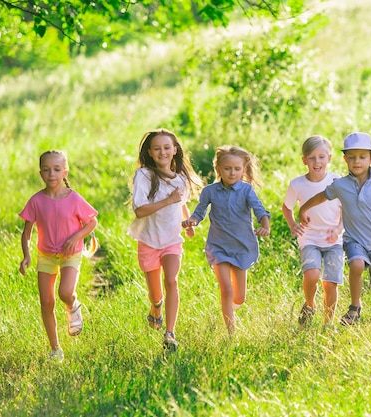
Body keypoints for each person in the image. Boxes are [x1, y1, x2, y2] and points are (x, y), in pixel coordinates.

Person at [299, 132, 371, 325]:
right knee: (356, 264)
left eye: (362, 157)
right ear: (344, 159)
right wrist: (304, 208)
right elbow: (322, 196)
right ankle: (355, 306)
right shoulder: (341, 185)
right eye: (351, 157)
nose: (357, 161)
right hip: (354, 240)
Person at [19, 150, 99, 362]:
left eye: (56, 169)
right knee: (46, 302)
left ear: (65, 172)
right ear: (40, 173)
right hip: (46, 255)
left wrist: (77, 237)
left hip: (70, 254)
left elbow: (92, 222)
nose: (51, 174)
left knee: (65, 292)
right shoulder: (36, 200)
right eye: (46, 170)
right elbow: (26, 232)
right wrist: (26, 256)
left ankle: (73, 306)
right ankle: (55, 349)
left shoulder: (73, 199)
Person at [182, 145, 270, 334]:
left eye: (237, 169)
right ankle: (231, 333)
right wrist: (193, 221)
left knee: (239, 298)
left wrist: (265, 225)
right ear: (218, 169)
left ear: (243, 170)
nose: (232, 173)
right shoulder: (210, 191)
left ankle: (229, 309)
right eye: (227, 168)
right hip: (218, 246)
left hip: (241, 246)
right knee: (227, 290)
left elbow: (259, 210)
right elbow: (200, 211)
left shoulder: (247, 191)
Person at [127, 128, 202, 352]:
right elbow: (140, 211)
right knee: (155, 292)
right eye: (157, 148)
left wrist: (187, 222)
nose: (163, 152)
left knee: (171, 281)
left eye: (167, 147)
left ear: (175, 150)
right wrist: (167, 200)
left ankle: (170, 333)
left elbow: (181, 202)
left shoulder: (181, 179)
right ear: (149, 153)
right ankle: (156, 306)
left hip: (171, 240)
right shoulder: (144, 177)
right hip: (149, 240)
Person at [282, 135, 344, 329]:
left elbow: (346, 210)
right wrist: (293, 225)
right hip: (308, 237)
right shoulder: (297, 184)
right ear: (304, 161)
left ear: (329, 158)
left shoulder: (337, 181)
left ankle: (328, 323)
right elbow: (287, 207)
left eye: (321, 157)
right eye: (311, 158)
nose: (317, 162)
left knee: (330, 283)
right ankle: (310, 304)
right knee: (312, 275)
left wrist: (338, 228)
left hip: (333, 239)